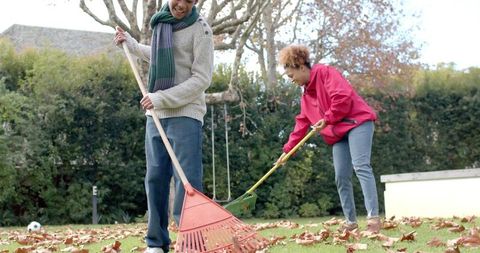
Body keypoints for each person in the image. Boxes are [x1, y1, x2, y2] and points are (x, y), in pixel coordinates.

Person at [114, 0, 214, 252]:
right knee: (156, 177)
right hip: (156, 115)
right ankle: (156, 242)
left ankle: (192, 242)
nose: (182, 5)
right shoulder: (161, 23)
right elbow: (161, 54)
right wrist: (133, 45)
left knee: (187, 180)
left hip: (185, 113)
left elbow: (201, 79)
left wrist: (160, 97)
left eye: (189, 1)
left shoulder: (201, 30)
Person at [276, 45, 381, 233]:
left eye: (291, 76)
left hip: (358, 122)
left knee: (361, 166)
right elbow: (301, 123)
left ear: (301, 66)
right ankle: (351, 222)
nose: (291, 80)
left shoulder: (325, 72)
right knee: (341, 176)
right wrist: (286, 151)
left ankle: (373, 219)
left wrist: (327, 118)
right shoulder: (306, 95)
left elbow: (342, 97)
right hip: (337, 133)